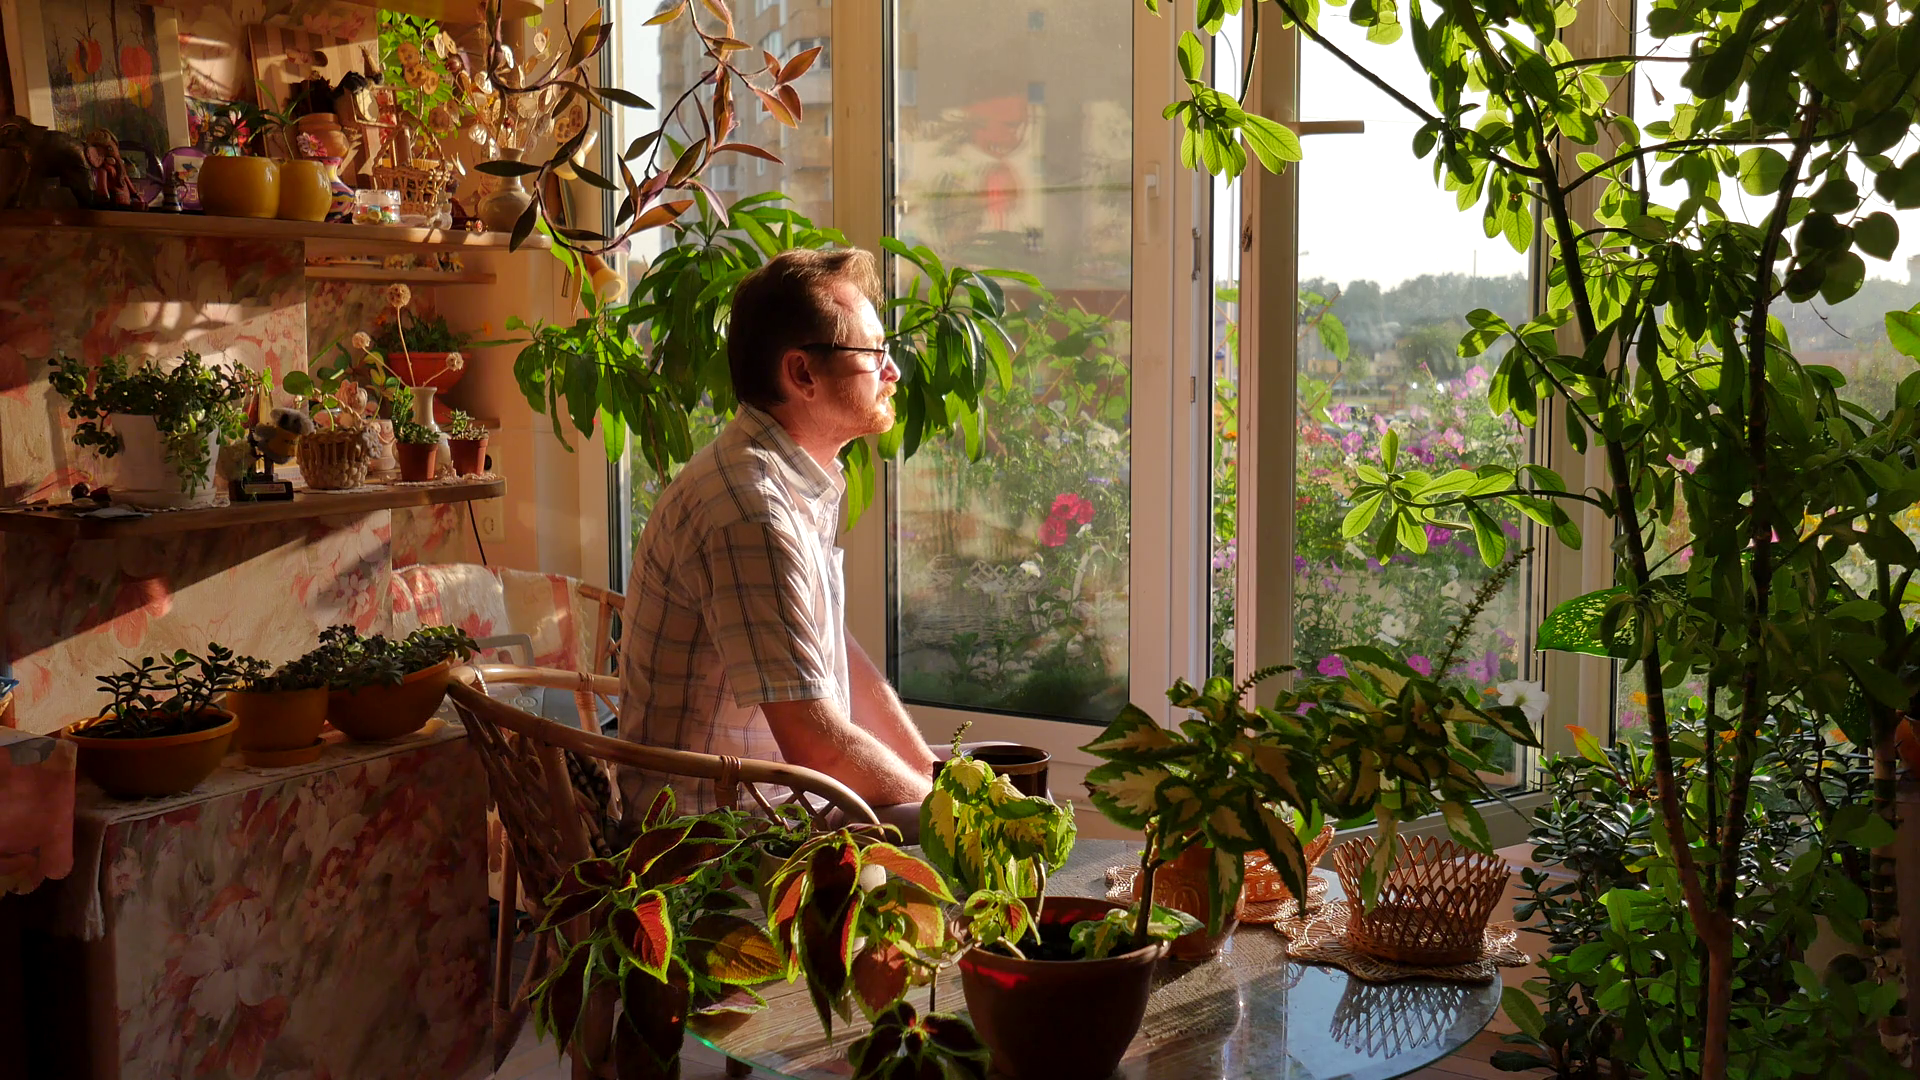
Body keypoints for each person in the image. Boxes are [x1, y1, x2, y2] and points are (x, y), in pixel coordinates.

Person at [616, 247, 937, 836]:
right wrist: (956, 816)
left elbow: (833, 655)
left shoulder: (783, 478)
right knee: (970, 847)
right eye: (874, 354)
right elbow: (819, 744)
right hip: (717, 847)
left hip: (779, 808)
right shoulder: (750, 510)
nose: (892, 372)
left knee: (947, 809)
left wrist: (933, 777)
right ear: (802, 373)